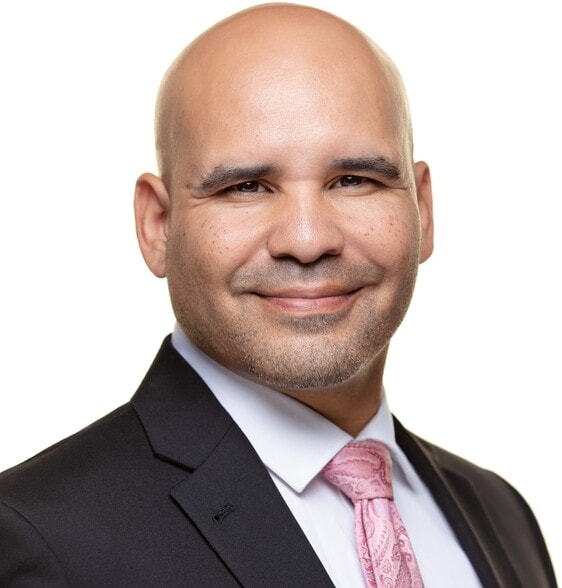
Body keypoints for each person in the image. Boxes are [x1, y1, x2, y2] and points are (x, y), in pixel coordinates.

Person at [0, 3, 556, 586]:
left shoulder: (502, 515)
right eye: (246, 187)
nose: (308, 240)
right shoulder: (40, 541)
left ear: (423, 209)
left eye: (354, 180)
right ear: (158, 226)